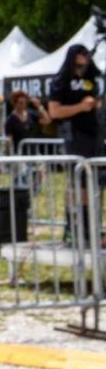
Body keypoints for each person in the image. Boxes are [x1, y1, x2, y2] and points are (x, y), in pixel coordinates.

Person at [49, 44, 103, 243]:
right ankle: (73, 228)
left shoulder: (92, 79)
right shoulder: (61, 81)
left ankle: (92, 228)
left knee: (94, 184)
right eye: (81, 55)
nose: (85, 59)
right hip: (73, 135)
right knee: (77, 184)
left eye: (87, 55)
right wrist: (81, 107)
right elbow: (54, 111)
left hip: (94, 136)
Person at [5, 89, 51, 191]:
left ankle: (35, 192)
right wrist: (11, 155)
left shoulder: (31, 114)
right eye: (20, 103)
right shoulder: (10, 120)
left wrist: (39, 107)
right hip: (19, 153)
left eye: (25, 102)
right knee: (22, 177)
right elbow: (9, 140)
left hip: (34, 151)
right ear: (15, 103)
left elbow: (47, 121)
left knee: (40, 172)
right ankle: (20, 194)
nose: (23, 105)